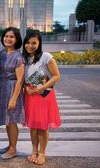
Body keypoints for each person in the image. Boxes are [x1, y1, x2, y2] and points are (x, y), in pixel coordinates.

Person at [23, 32, 61, 165]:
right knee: (33, 126)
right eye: (27, 42)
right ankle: (34, 151)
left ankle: (42, 153)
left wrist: (42, 87)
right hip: (30, 95)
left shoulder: (46, 56)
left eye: (34, 43)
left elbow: (56, 76)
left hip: (43, 95)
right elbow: (22, 77)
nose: (30, 45)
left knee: (43, 127)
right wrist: (25, 87)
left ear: (39, 43)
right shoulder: (24, 58)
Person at [0, 27, 25, 159]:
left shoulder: (18, 56)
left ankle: (13, 149)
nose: (8, 39)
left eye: (11, 37)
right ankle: (10, 145)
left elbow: (20, 80)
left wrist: (14, 98)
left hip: (13, 88)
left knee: (12, 120)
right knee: (7, 120)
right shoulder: (1, 53)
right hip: (3, 88)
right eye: (6, 36)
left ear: (16, 39)